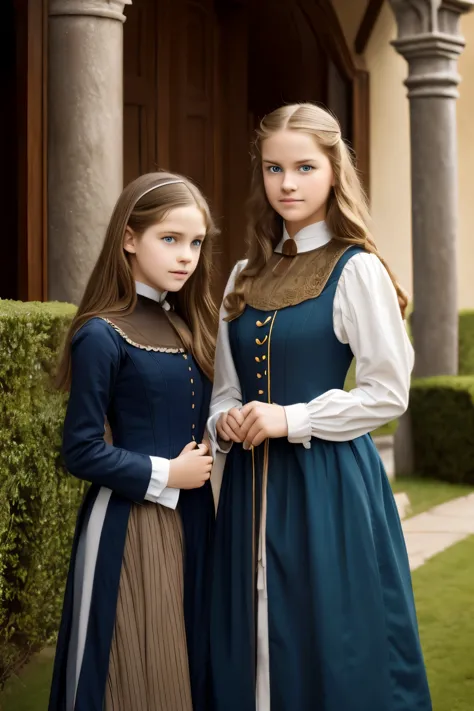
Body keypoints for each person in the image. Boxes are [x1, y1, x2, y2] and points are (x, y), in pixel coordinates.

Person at [208, 103, 432, 711]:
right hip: (250, 490)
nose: (287, 183)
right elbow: (226, 388)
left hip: (328, 484)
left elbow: (388, 390)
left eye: (304, 168)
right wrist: (223, 421)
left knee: (333, 633)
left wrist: (292, 418)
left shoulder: (356, 270)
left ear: (334, 171)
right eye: (273, 168)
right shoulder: (240, 276)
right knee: (250, 628)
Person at [48, 171, 217, 711]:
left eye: (195, 242)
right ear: (128, 237)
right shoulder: (102, 332)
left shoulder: (191, 325)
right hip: (130, 524)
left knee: (190, 664)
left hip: (195, 518)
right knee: (134, 668)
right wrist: (168, 474)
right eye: (169, 239)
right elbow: (80, 449)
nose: (186, 256)